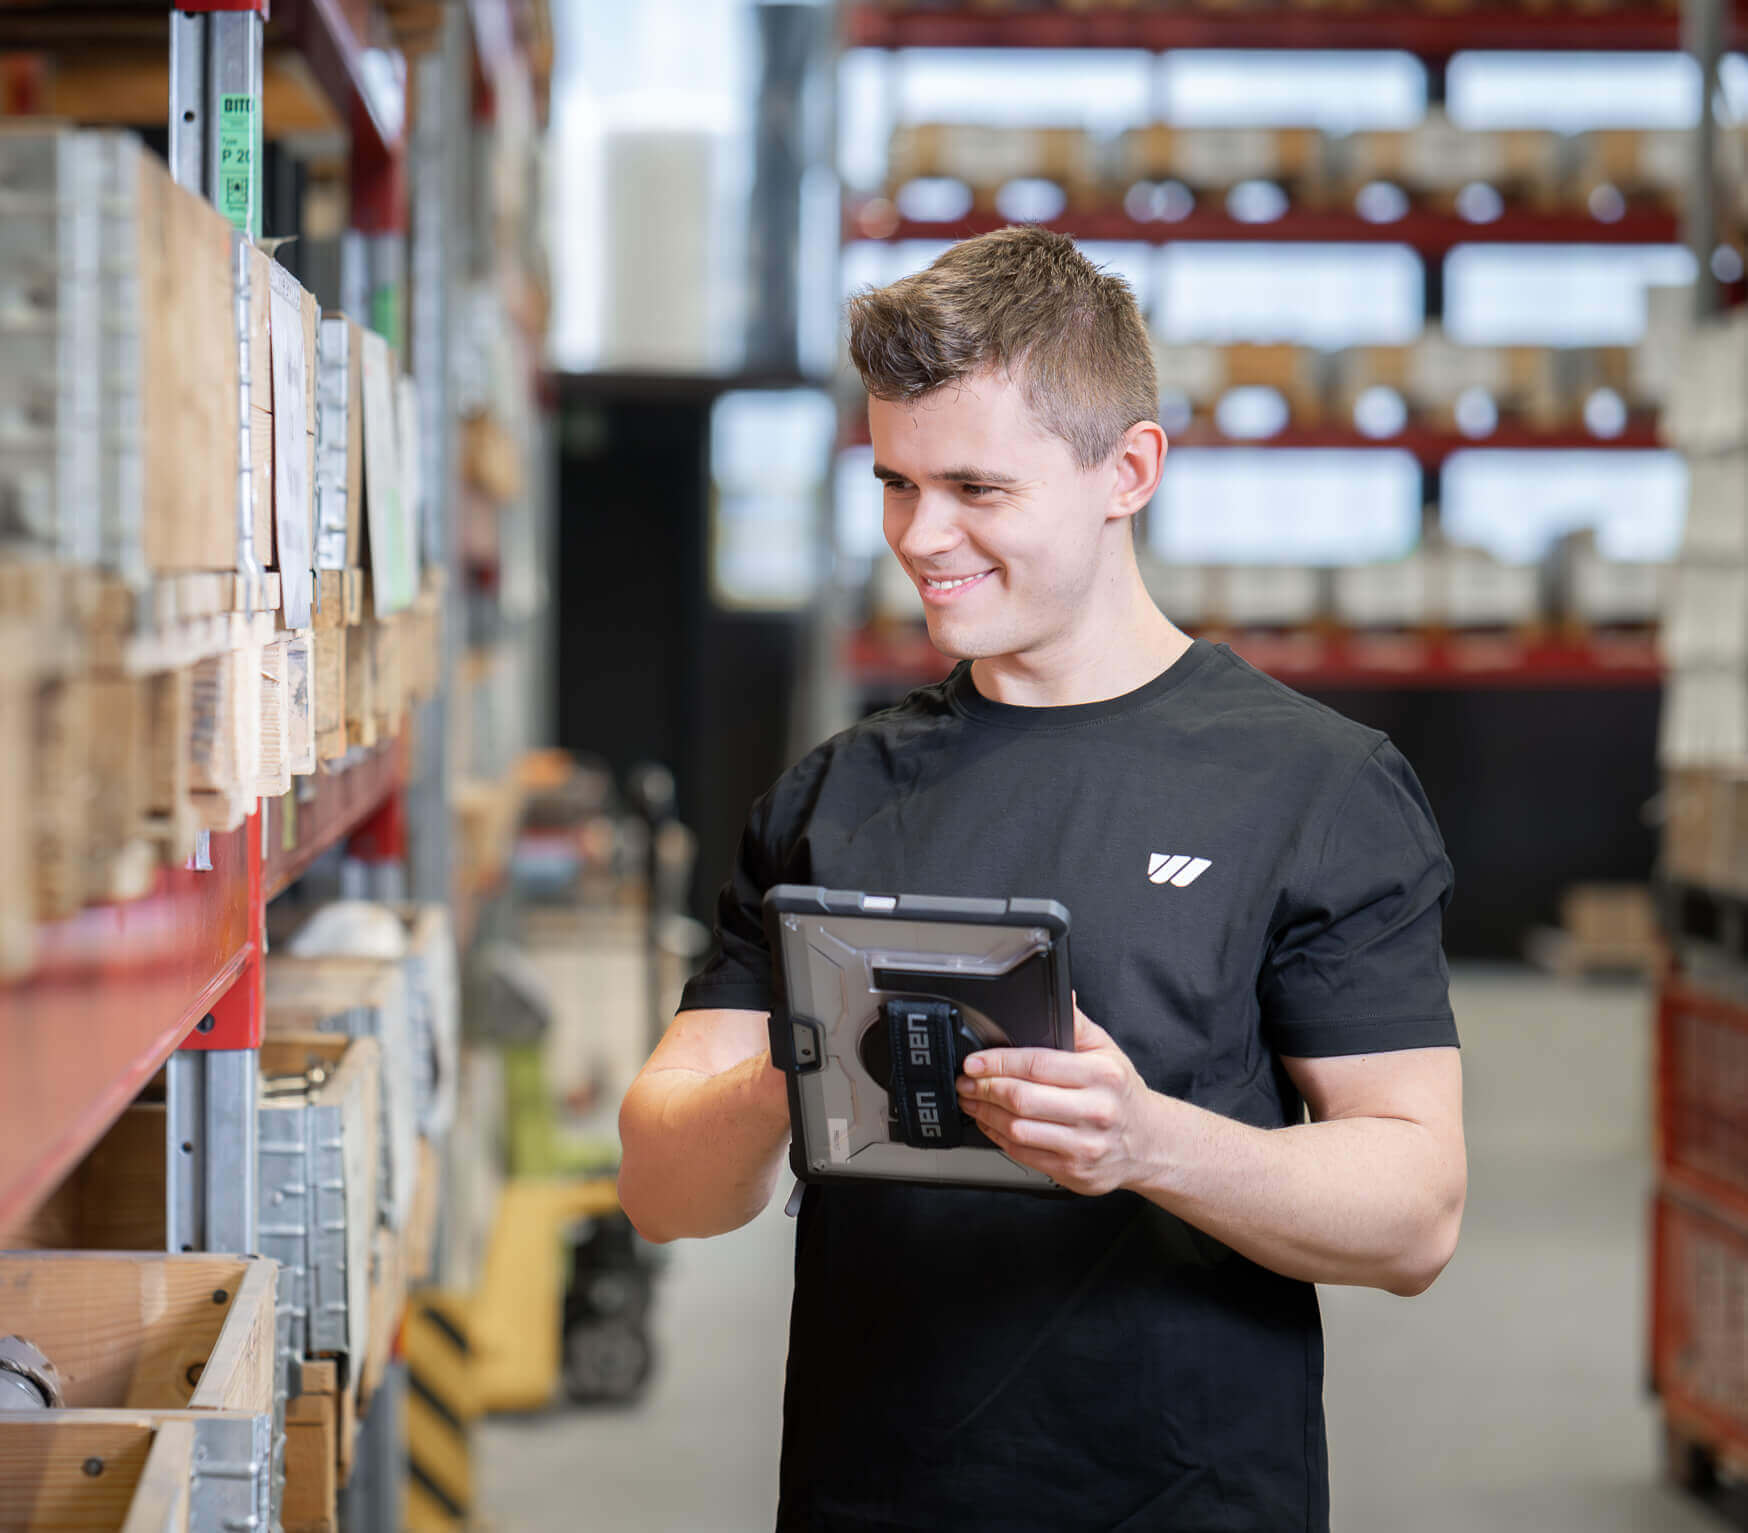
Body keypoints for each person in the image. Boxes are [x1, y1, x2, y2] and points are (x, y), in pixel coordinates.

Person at [616, 226, 1466, 1533]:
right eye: (897, 483)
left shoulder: (1313, 786)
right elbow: (666, 1191)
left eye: (975, 488)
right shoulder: (834, 794)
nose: (921, 535)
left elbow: (1414, 1213)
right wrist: (806, 1055)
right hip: (871, 1500)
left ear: (1127, 469)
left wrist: (1146, 1141)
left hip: (1186, 1501)